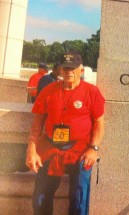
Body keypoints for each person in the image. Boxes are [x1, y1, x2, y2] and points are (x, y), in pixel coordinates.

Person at [25, 52, 105, 215]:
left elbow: (99, 123)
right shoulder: (48, 91)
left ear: (81, 70)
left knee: (78, 200)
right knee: (40, 199)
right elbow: (37, 123)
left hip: (81, 149)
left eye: (73, 68)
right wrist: (31, 151)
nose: (69, 72)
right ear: (60, 70)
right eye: (65, 68)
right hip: (50, 146)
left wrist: (94, 148)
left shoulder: (92, 92)